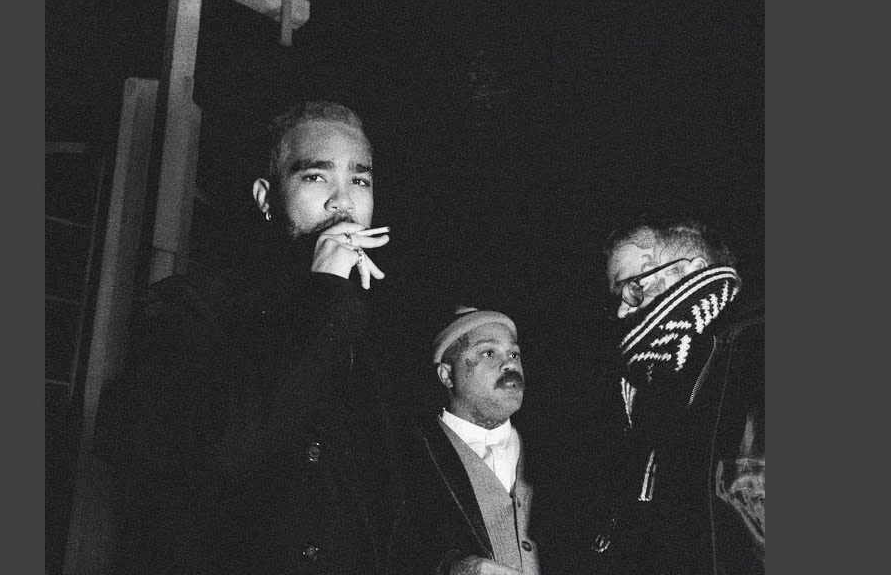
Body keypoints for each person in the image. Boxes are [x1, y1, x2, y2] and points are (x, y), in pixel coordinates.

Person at [98, 100, 402, 575]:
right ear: (265, 198)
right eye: (316, 177)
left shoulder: (374, 332)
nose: (343, 202)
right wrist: (326, 292)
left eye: (360, 181)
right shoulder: (191, 306)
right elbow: (231, 449)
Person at [561, 215, 764, 574]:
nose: (622, 310)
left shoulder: (755, 352)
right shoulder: (640, 386)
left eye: (632, 288)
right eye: (618, 297)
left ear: (690, 272)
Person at [390, 307, 540, 575]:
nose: (509, 365)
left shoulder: (553, 451)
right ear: (447, 375)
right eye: (488, 353)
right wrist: (452, 568)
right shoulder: (406, 457)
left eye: (514, 354)